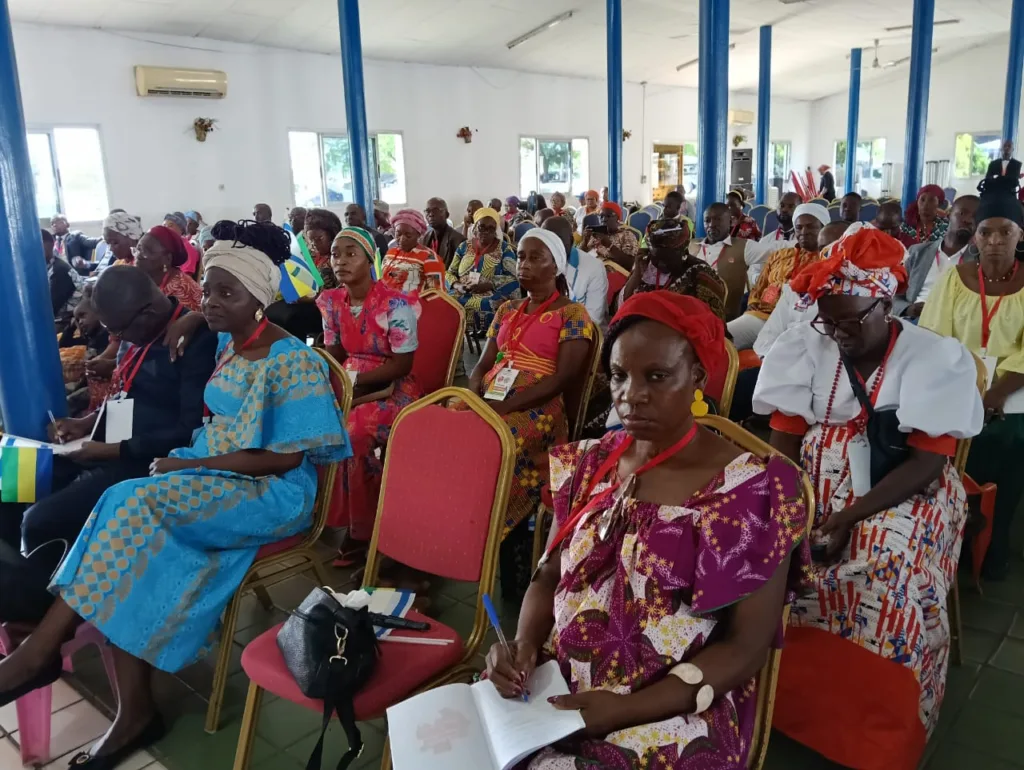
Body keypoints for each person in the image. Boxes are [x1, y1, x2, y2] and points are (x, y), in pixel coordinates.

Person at [0, 220, 350, 765]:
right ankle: (128, 707)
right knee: (125, 519)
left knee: (131, 503)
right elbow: (209, 316)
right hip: (214, 471)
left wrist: (195, 462)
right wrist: (193, 315)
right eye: (206, 290)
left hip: (271, 489)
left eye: (226, 293)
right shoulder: (229, 340)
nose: (210, 302)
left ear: (258, 298)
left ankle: (41, 653)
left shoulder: (292, 361)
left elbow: (284, 459)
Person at [486, 290, 808, 768]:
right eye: (619, 375)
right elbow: (549, 573)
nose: (630, 395)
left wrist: (623, 710)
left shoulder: (751, 491)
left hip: (672, 706)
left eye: (656, 376)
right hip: (557, 684)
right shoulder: (590, 464)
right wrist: (524, 645)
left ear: (697, 376)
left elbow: (746, 647)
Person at [755, 226, 982, 770]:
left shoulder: (931, 355)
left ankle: (877, 732)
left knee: (886, 563)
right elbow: (785, 440)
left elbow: (928, 462)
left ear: (885, 304)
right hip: (815, 480)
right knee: (766, 544)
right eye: (828, 321)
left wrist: (849, 517)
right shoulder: (808, 344)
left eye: (851, 322)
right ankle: (790, 704)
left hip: (903, 489)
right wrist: (795, 508)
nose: (837, 334)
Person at [0, 266, 218, 621]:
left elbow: (190, 431)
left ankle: (47, 616)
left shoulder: (194, 341)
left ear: (147, 311)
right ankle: (21, 594)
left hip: (147, 463)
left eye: (118, 330)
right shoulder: (136, 330)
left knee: (39, 521)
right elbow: (123, 394)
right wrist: (85, 424)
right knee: (10, 481)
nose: (116, 338)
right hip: (108, 445)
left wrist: (110, 450)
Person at [466, 228, 593, 600]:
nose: (524, 264)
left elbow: (563, 378)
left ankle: (507, 534)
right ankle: (462, 527)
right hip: (493, 398)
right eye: (521, 256)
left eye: (536, 258)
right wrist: (472, 394)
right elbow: (483, 363)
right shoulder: (507, 309)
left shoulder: (572, 313)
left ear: (556, 266)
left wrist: (505, 406)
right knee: (445, 427)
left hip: (541, 410)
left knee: (499, 439)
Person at [919, 177, 1024, 580]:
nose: (995, 240)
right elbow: (934, 336)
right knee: (949, 449)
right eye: (986, 232)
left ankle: (994, 548)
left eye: (1005, 232)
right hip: (958, 386)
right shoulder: (955, 277)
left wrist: (995, 393)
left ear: (1019, 235)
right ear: (975, 237)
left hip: (1013, 390)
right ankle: (953, 543)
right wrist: (967, 389)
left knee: (1009, 442)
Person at [318, 226, 421, 566]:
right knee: (312, 420)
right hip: (350, 381)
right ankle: (326, 512)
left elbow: (402, 364)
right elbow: (334, 351)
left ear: (369, 260)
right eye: (336, 254)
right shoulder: (332, 302)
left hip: (392, 386)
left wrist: (356, 382)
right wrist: (330, 378)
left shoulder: (395, 304)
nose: (341, 261)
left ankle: (362, 530)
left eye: (351, 254)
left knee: (353, 433)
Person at [727, 203, 829, 350]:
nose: (804, 232)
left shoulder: (827, 260)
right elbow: (759, 287)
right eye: (799, 227)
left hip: (797, 322)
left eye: (810, 227)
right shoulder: (780, 255)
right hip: (762, 317)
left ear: (823, 228)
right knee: (719, 338)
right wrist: (754, 303)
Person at [623, 218, 726, 319]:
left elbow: (713, 319)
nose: (661, 262)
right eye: (656, 255)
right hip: (639, 325)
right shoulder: (645, 266)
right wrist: (636, 275)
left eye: (667, 256)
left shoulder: (700, 272)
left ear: (683, 249)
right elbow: (623, 306)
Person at [895, 195, 978, 320]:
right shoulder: (917, 252)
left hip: (952, 323)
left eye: (975, 216)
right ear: (949, 214)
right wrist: (908, 309)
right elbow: (894, 294)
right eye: (962, 213)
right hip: (914, 320)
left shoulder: (980, 260)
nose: (968, 220)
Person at [446, 207, 520, 330]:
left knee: (490, 304)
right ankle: (455, 338)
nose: (486, 232)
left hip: (492, 292)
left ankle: (491, 336)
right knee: (445, 302)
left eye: (491, 228)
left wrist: (490, 284)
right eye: (482, 227)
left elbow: (514, 278)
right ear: (475, 228)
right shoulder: (464, 246)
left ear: (496, 230)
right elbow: (449, 273)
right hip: (464, 290)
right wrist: (457, 285)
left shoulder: (504, 249)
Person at [543, 216, 607, 327]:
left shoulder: (594, 268)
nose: (551, 246)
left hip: (581, 331)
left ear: (571, 241)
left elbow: (593, 319)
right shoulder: (536, 265)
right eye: (546, 240)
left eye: (558, 240)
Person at [134, 226, 203, 311]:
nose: (138, 256)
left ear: (167, 259)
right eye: (138, 249)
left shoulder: (180, 290)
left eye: (147, 251)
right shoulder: (147, 278)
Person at [381, 208, 446, 294]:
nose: (402, 239)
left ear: (418, 235)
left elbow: (436, 294)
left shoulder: (430, 258)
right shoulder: (390, 253)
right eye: (398, 234)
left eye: (408, 235)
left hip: (415, 302)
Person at [42, 229, 83, 328]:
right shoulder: (48, 266)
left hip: (67, 321)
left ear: (50, 245)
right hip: (58, 318)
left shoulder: (59, 270)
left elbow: (51, 309)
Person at [580, 201, 638, 270]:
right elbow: (578, 257)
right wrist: (585, 241)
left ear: (617, 218)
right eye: (601, 216)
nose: (604, 219)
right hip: (593, 268)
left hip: (614, 271)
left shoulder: (626, 235)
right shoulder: (597, 234)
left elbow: (630, 264)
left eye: (608, 216)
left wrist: (609, 245)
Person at [422, 197, 465, 267]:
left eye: (436, 210)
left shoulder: (459, 240)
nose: (431, 214)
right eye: (427, 211)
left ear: (447, 214)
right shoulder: (425, 238)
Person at [161, 211, 201, 277]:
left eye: (170, 225)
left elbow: (186, 278)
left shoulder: (187, 249)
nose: (166, 228)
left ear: (181, 229)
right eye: (164, 225)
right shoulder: (166, 246)